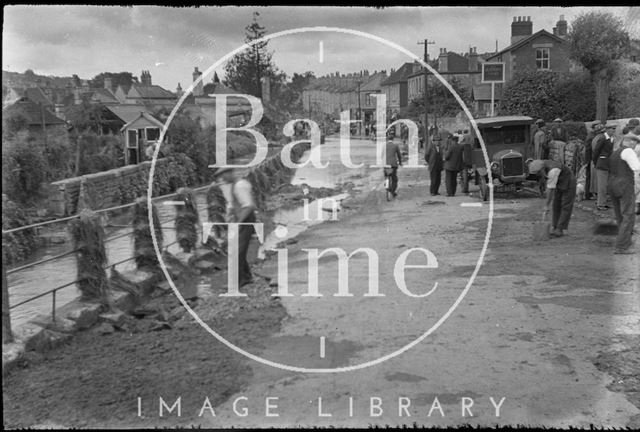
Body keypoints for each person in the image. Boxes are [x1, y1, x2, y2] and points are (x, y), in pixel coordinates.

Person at [213, 167, 257, 288]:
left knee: (237, 251)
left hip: (245, 219)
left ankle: (237, 281)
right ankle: (246, 277)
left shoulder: (239, 185)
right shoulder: (235, 185)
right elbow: (236, 203)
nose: (222, 179)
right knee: (238, 249)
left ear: (230, 173)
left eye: (224, 175)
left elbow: (249, 206)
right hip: (242, 219)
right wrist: (231, 212)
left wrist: (239, 223)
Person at [607, 128, 640, 254]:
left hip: (612, 184)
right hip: (624, 185)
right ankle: (622, 246)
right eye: (635, 142)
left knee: (620, 215)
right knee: (629, 215)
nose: (635, 145)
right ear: (631, 142)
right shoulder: (629, 152)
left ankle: (623, 241)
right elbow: (637, 169)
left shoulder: (616, 152)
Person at [528, 159, 577, 238]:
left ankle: (560, 229)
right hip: (559, 182)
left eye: (538, 173)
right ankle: (554, 226)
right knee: (556, 205)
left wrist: (546, 205)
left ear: (542, 170)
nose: (537, 176)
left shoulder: (553, 171)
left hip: (569, 181)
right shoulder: (542, 165)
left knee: (566, 205)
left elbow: (550, 190)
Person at [592, 123, 615, 211]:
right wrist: (596, 162)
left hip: (607, 164)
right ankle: (600, 204)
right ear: (607, 130)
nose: (613, 131)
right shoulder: (603, 138)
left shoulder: (610, 139)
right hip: (602, 163)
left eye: (614, 130)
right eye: (612, 129)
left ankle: (602, 202)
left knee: (605, 185)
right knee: (602, 185)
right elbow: (596, 151)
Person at [383, 131, 403, 197]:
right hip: (393, 165)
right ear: (393, 139)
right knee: (394, 179)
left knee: (386, 176)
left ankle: (386, 184)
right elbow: (399, 155)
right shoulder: (395, 146)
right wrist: (400, 162)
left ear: (387, 139)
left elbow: (381, 156)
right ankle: (392, 191)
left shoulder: (384, 146)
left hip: (386, 165)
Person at [459, 129, 474, 194]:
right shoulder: (471, 140)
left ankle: (464, 188)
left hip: (463, 160)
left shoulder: (461, 143)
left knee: (463, 174)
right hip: (471, 159)